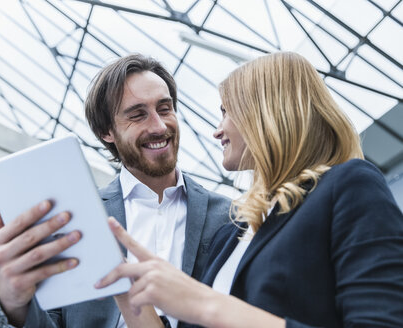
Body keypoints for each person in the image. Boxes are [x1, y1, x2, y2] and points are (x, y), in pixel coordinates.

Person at [96, 52, 403, 327]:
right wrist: (124, 286)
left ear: (267, 114)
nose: (217, 130)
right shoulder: (233, 233)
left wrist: (206, 305)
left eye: (227, 112)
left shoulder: (348, 186)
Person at [0, 54, 231, 328]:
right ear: (107, 131)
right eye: (138, 115)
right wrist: (13, 306)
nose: (159, 126)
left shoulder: (230, 217)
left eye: (164, 109)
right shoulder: (73, 221)